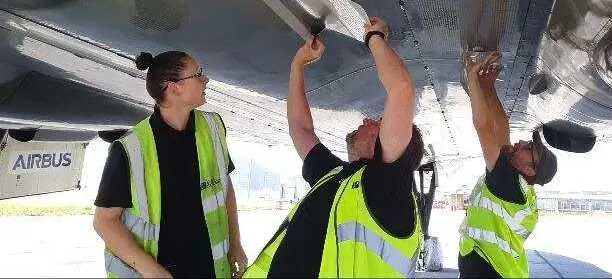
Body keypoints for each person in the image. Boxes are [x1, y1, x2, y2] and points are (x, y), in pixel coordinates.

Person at [244, 17, 424, 278]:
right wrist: (298, 65)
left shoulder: (386, 187)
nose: (366, 119)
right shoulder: (338, 177)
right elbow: (301, 130)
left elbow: (401, 89)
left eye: (378, 122)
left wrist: (375, 36)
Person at [93, 51, 247, 278]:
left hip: (210, 269)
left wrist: (235, 243)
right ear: (174, 88)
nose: (205, 80)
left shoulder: (213, 127)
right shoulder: (129, 149)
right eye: (198, 75)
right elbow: (104, 221)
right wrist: (152, 270)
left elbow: (225, 189)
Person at [458, 51, 558, 278]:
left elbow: (484, 127)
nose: (522, 142)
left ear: (529, 169)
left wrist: (474, 80)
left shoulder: (508, 183)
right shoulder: (516, 184)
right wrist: (488, 87)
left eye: (528, 149)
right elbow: (501, 128)